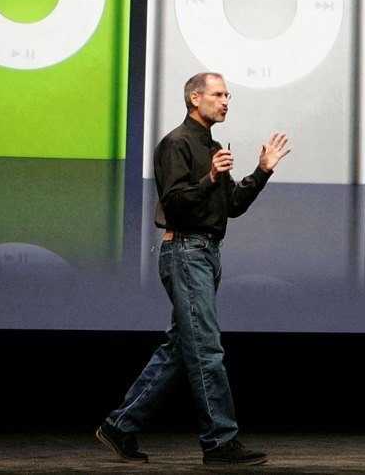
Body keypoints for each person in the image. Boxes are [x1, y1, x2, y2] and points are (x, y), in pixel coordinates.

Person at [96, 72, 291, 467]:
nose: (226, 101)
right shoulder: (177, 143)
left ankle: (119, 425)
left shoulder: (214, 147)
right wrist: (210, 177)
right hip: (186, 252)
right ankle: (219, 441)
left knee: (178, 349)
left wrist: (262, 171)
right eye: (218, 94)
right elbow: (174, 202)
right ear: (194, 98)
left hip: (206, 253)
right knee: (205, 349)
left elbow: (231, 205)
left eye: (228, 95)